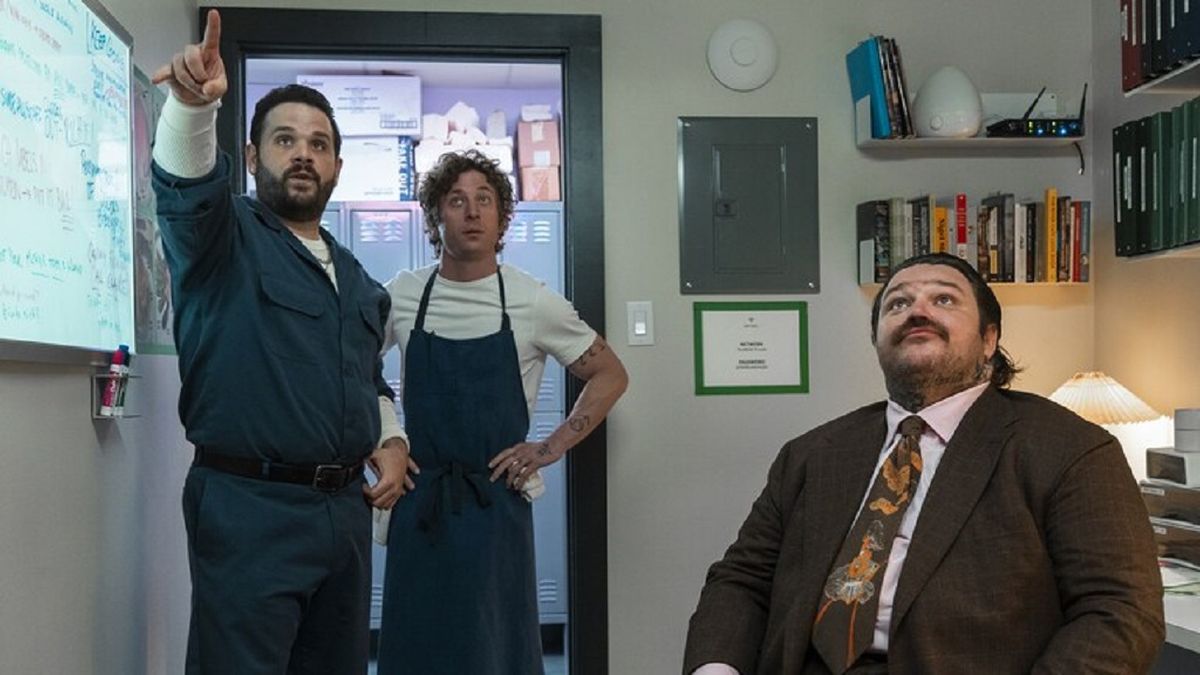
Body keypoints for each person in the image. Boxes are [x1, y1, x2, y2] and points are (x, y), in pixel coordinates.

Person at [683, 252, 1164, 675]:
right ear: (877, 341)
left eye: (945, 300)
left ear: (989, 339)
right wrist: (716, 668)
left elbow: (1120, 610)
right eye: (897, 303)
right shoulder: (812, 454)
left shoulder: (1066, 448)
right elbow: (740, 580)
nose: (917, 310)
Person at [151, 10, 409, 673]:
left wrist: (393, 437)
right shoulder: (223, 238)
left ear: (337, 165)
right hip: (250, 511)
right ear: (253, 153)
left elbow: (364, 374)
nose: (303, 154)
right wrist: (191, 110)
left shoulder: (354, 278)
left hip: (343, 518)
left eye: (319, 144)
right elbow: (185, 184)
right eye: (285, 139)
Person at [373, 149, 628, 674]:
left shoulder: (531, 302)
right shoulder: (403, 295)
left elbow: (610, 373)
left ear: (503, 217)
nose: (471, 212)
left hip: (496, 511)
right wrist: (390, 437)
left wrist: (549, 447)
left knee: (493, 654)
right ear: (434, 216)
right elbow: (351, 371)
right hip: (420, 505)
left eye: (484, 200)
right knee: (416, 652)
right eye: (456, 200)